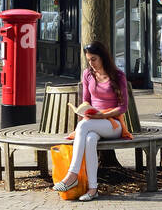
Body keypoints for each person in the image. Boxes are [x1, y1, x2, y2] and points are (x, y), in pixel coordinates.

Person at [53, 41, 131, 201]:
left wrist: (101, 116)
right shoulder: (87, 74)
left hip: (113, 124)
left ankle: (72, 175)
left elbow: (123, 107)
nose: (91, 63)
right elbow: (85, 102)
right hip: (92, 123)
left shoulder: (118, 75)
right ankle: (93, 189)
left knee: (84, 126)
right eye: (89, 60)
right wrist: (85, 113)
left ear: (103, 57)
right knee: (89, 139)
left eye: (94, 59)